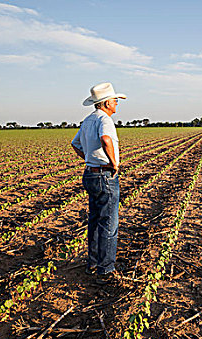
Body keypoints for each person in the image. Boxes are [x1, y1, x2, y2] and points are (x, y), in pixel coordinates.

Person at [71, 82, 126, 285]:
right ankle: (106, 268)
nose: (117, 104)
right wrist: (114, 163)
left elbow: (75, 143)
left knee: (94, 220)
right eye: (115, 101)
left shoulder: (87, 120)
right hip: (104, 175)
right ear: (105, 103)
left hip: (90, 174)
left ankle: (92, 263)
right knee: (109, 222)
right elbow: (106, 139)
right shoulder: (105, 119)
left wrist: (89, 157)